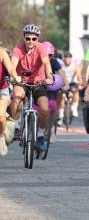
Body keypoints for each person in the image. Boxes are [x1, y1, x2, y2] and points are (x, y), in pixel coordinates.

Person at [10, 24, 55, 152]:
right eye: (28, 38)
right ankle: (17, 127)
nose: (30, 41)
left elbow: (46, 63)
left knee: (45, 109)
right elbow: (13, 66)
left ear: (38, 39)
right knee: (17, 95)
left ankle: (40, 135)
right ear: (24, 38)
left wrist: (50, 77)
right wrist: (15, 76)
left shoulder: (41, 48)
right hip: (22, 81)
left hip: (38, 83)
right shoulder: (18, 49)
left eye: (33, 39)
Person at [42, 42, 70, 143]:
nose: (48, 57)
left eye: (50, 55)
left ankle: (51, 129)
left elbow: (61, 72)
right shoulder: (37, 61)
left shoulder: (54, 62)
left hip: (50, 87)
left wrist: (66, 84)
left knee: (53, 107)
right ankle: (32, 127)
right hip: (38, 87)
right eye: (46, 55)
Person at [0, 46, 21, 156]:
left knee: (1, 116)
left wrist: (15, 76)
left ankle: (1, 137)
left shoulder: (2, 52)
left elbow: (11, 69)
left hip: (2, 89)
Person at [59, 51, 83, 123]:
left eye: (68, 59)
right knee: (61, 96)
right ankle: (61, 115)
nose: (67, 60)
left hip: (73, 83)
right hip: (64, 83)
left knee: (75, 90)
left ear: (71, 59)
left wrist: (80, 84)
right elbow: (60, 76)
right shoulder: (62, 66)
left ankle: (74, 107)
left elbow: (79, 76)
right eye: (66, 59)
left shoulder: (75, 66)